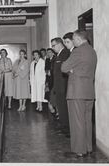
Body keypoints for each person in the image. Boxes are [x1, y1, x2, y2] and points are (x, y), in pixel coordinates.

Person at [61, 30, 97, 158]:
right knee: (87, 121)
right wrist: (74, 69)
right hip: (89, 92)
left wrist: (72, 70)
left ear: (78, 38)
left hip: (76, 92)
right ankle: (88, 147)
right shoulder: (92, 51)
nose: (73, 42)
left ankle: (79, 150)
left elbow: (64, 67)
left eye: (74, 39)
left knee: (77, 122)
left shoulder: (78, 51)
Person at [51, 37, 70, 135]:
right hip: (58, 86)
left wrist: (61, 87)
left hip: (63, 87)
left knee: (63, 107)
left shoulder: (65, 54)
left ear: (59, 44)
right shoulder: (58, 55)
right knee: (60, 107)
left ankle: (67, 128)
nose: (53, 48)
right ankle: (63, 125)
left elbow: (65, 72)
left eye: (53, 45)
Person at [44, 48, 56, 114]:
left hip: (54, 79)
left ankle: (56, 109)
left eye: (50, 52)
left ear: (53, 53)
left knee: (54, 94)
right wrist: (47, 71)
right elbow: (45, 68)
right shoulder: (47, 59)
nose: (49, 53)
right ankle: (51, 107)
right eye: (47, 52)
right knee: (48, 93)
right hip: (48, 79)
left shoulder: (55, 59)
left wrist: (51, 72)